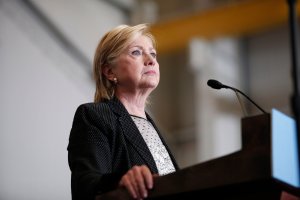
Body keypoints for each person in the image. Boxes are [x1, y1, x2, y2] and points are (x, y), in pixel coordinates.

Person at [67, 24, 179, 200]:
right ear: (110, 71)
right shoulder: (95, 116)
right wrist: (120, 181)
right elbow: (85, 185)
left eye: (153, 54)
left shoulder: (151, 125)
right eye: (136, 52)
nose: (151, 60)